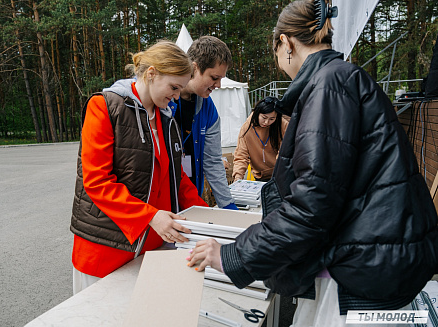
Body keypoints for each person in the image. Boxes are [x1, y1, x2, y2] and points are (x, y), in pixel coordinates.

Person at [187, 1, 438, 326]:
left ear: (286, 43)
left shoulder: (329, 88)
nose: (279, 64)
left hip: (361, 271)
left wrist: (231, 254)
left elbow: (310, 206)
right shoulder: (340, 81)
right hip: (368, 261)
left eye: (277, 52)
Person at [70, 40, 208, 294]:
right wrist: (151, 216)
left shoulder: (165, 118)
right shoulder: (104, 106)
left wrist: (208, 217)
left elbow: (175, 178)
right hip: (106, 248)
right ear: (151, 73)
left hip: (151, 248)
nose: (177, 96)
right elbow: (96, 182)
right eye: (174, 87)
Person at [169, 36, 238, 210]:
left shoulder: (208, 109)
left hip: (192, 198)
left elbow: (213, 161)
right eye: (214, 77)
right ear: (195, 67)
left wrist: (227, 204)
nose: (219, 85)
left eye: (221, 78)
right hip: (163, 201)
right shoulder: (163, 102)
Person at [232, 97, 289, 182]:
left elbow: (285, 153)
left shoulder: (283, 125)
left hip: (281, 175)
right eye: (264, 117)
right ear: (257, 113)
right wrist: (238, 176)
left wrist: (280, 172)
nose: (266, 122)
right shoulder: (246, 128)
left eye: (271, 119)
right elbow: (241, 155)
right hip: (260, 176)